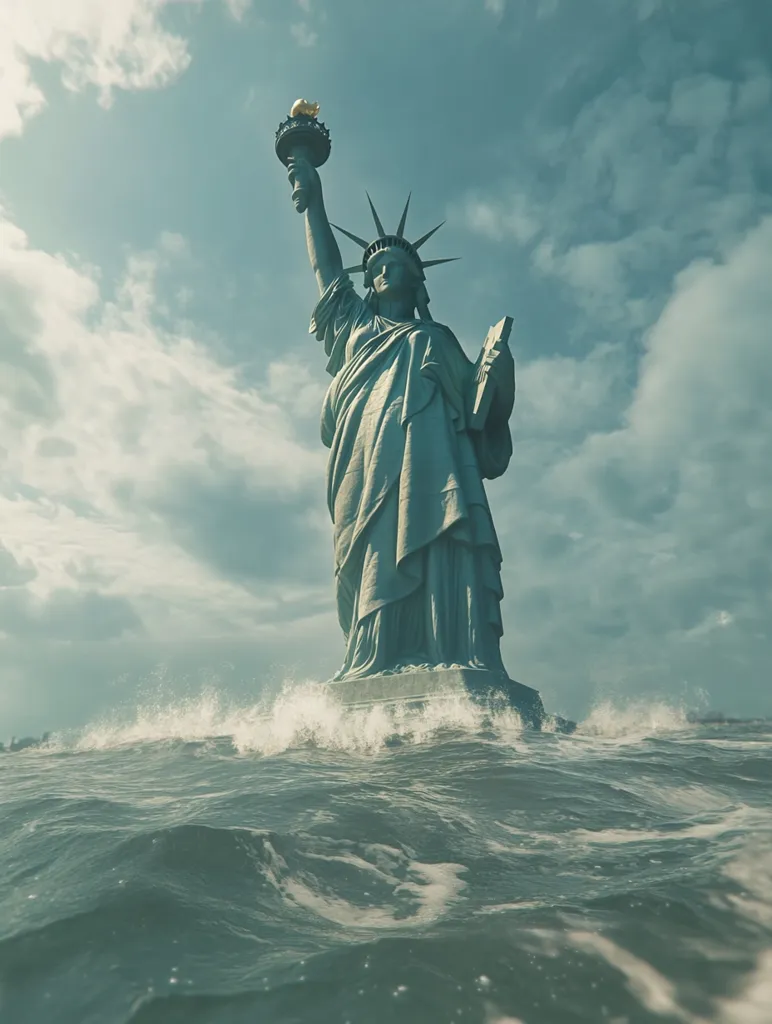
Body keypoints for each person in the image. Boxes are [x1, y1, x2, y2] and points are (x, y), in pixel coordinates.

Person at [288, 153, 516, 680]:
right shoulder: (355, 328)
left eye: (393, 266)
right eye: (374, 270)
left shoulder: (436, 338)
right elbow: (326, 270)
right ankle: (377, 655)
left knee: (439, 535)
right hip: (365, 464)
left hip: (432, 467)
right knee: (372, 550)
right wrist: (314, 201)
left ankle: (446, 646)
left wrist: (497, 367)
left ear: (415, 280)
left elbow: (479, 414)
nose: (382, 272)